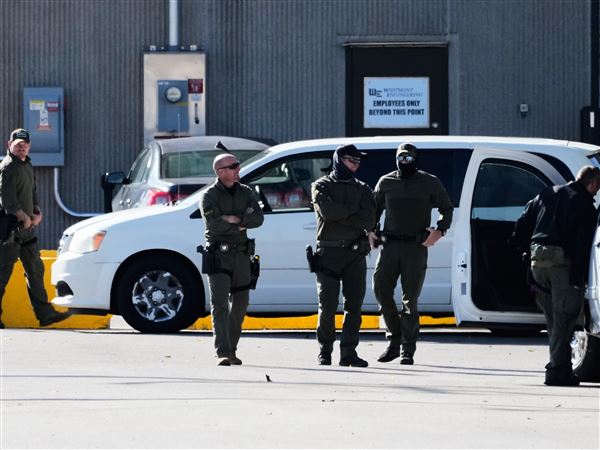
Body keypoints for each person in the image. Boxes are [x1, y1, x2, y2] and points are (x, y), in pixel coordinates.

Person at [512, 166, 600, 386]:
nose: (597, 193)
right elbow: (582, 246)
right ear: (591, 183)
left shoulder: (547, 193)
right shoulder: (585, 206)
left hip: (537, 259)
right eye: (597, 187)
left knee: (553, 319)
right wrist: (579, 280)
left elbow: (522, 223)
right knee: (565, 317)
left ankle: (559, 367)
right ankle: (556, 371)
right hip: (561, 263)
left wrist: (524, 250)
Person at [369, 143, 453, 365]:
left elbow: (447, 207)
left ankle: (407, 349)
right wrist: (370, 232)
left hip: (416, 247)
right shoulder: (386, 182)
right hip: (389, 246)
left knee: (410, 299)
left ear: (415, 159)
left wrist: (440, 230)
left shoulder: (429, 182)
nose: (404, 161)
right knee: (380, 289)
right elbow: (373, 210)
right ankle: (394, 340)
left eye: (408, 158)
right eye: (401, 157)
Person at [311, 144, 376, 367]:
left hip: (355, 254)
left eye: (358, 161)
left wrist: (342, 214)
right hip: (328, 252)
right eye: (351, 160)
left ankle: (348, 352)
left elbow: (369, 220)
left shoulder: (364, 189)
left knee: (354, 306)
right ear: (339, 159)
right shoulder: (321, 185)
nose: (355, 165)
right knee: (327, 306)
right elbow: (328, 212)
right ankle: (325, 351)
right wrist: (353, 213)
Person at [0, 128, 70, 328]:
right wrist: (23, 216)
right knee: (3, 273)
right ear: (9, 145)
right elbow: (6, 201)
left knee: (35, 270)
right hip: (10, 231)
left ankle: (45, 314)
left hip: (26, 230)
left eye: (25, 144)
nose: (21, 148)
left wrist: (37, 213)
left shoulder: (27, 165)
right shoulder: (7, 167)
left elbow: (32, 192)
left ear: (29, 146)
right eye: (17, 144)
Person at [200, 153, 264, 366]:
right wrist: (240, 221)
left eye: (237, 165)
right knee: (220, 304)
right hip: (219, 256)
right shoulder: (209, 195)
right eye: (233, 166)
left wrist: (234, 219)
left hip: (242, 256)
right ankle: (223, 352)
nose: (238, 169)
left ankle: (232, 349)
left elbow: (258, 218)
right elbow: (214, 225)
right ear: (220, 171)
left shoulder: (246, 192)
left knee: (241, 303)